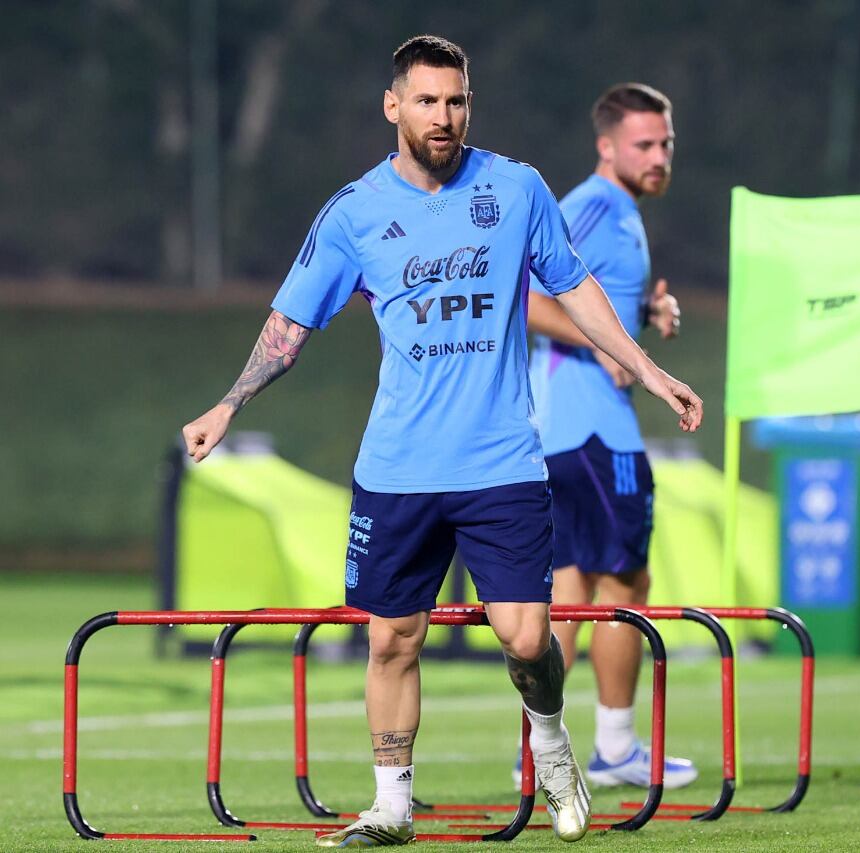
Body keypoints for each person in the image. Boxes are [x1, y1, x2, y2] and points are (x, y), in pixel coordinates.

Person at [180, 35, 703, 847]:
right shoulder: (354, 212)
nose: (444, 116)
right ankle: (391, 802)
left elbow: (575, 289)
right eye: (427, 100)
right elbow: (289, 324)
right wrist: (228, 403)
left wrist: (647, 367)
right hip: (397, 470)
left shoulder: (517, 188)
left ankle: (553, 738)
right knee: (393, 636)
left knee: (528, 637)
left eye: (456, 100)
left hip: (502, 463)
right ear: (394, 106)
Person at [519, 83, 696, 789]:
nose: (657, 157)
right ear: (607, 146)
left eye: (666, 145)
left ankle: (538, 748)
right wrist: (606, 348)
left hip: (564, 425)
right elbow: (527, 295)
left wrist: (645, 314)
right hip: (590, 426)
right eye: (643, 145)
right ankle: (616, 747)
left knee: (571, 587)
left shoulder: (620, 213)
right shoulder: (594, 204)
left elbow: (592, 300)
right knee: (626, 581)